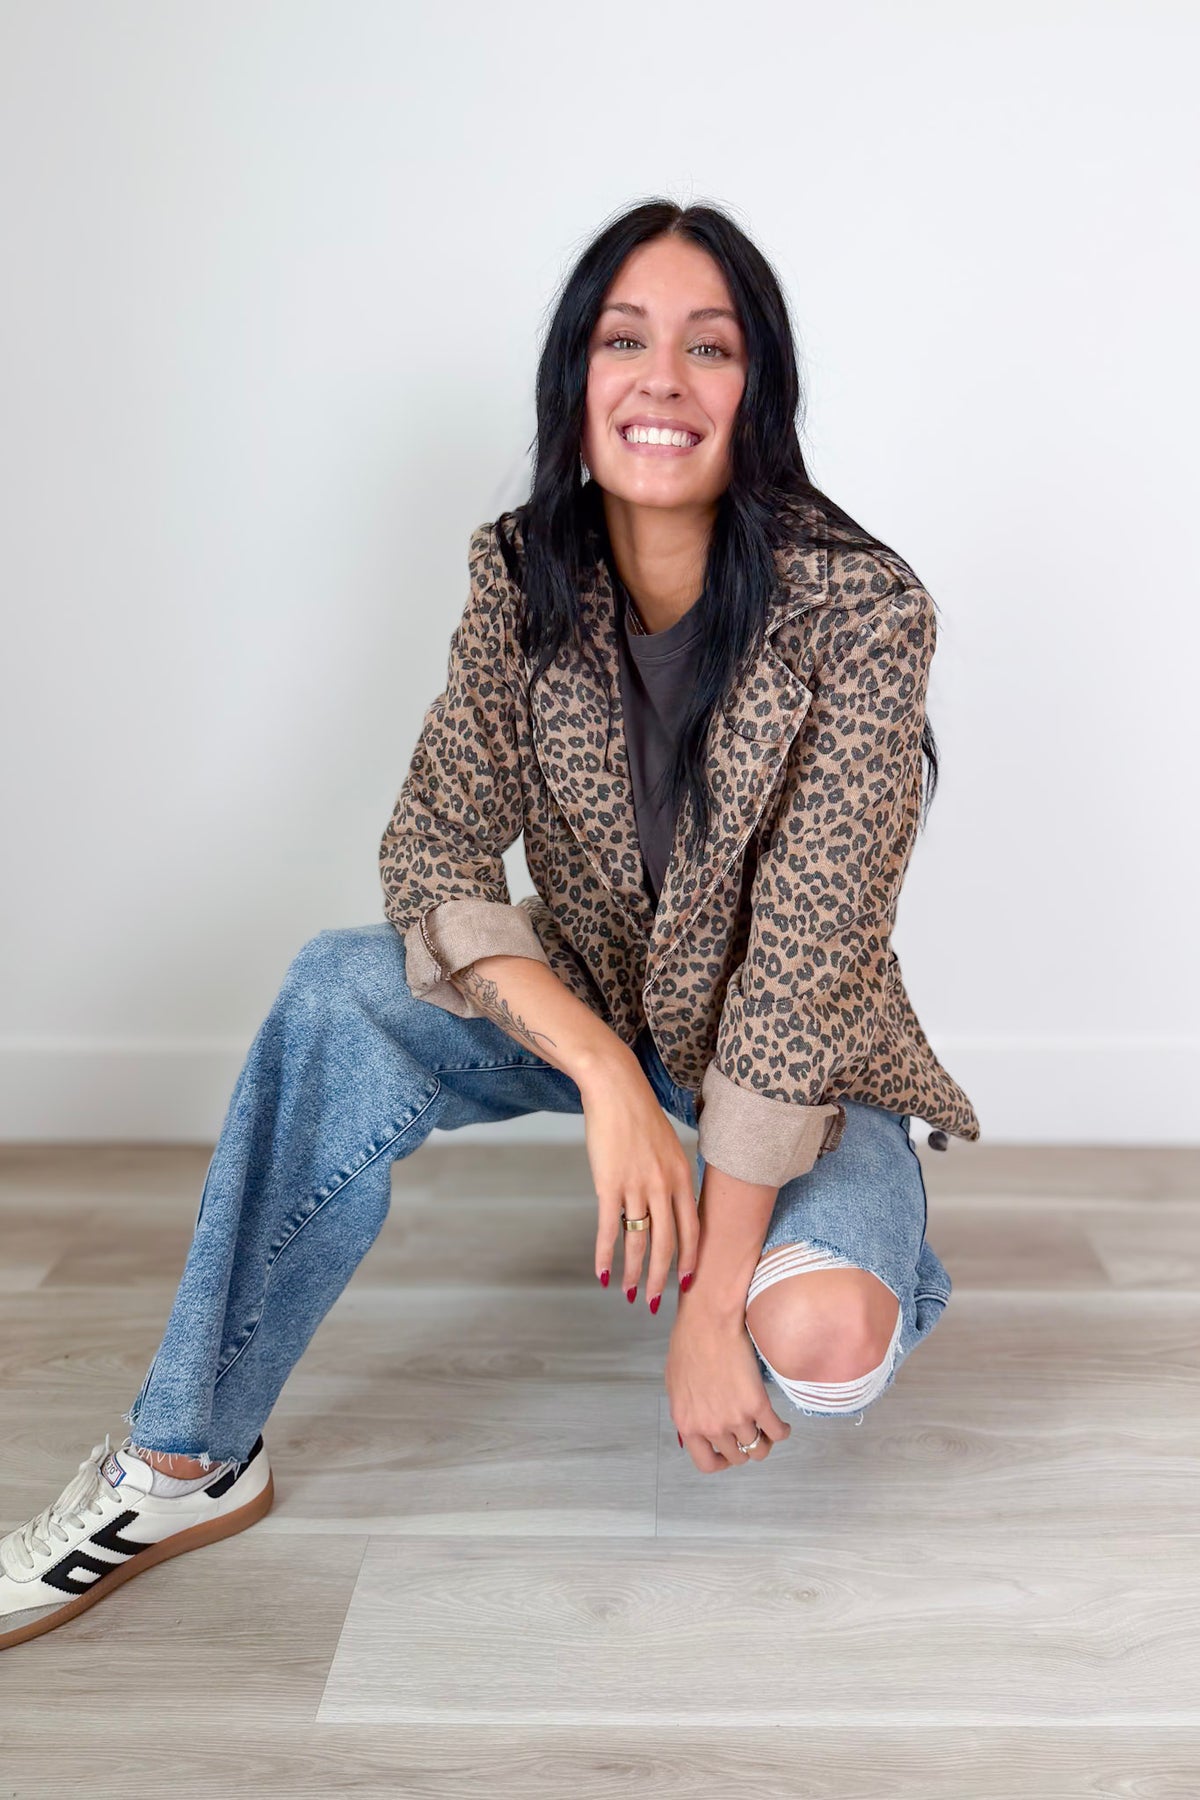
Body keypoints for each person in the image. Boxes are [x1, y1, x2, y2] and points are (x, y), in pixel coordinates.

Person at [0, 198, 979, 1652]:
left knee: (816, 1343)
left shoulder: (866, 611)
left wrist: (712, 1298)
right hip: (593, 998)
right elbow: (432, 847)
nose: (661, 379)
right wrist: (601, 1071)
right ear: (576, 377)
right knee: (335, 989)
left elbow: (800, 971)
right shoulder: (522, 571)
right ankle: (185, 1458)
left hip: (794, 1067)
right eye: (623, 340)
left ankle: (847, 1239)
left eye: (709, 348)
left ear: (757, 392)